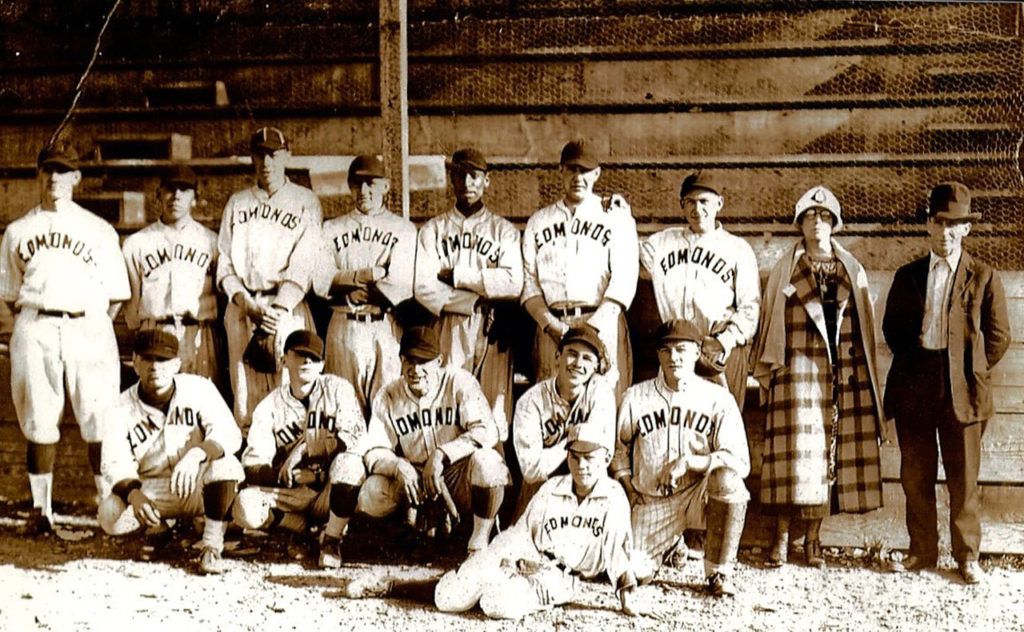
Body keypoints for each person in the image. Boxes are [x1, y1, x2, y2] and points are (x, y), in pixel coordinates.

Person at [343, 423, 644, 620]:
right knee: (451, 596)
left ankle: (489, 583)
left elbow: (619, 553)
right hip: (527, 556)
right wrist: (501, 560)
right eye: (576, 456)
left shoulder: (613, 497)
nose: (582, 464)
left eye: (590, 457)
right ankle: (390, 586)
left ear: (605, 458)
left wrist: (627, 595)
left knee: (496, 603)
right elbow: (521, 532)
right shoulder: (553, 488)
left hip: (560, 577)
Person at [749, 186, 886, 569]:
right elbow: (769, 324)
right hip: (794, 374)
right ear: (800, 225)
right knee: (788, 458)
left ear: (835, 225)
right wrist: (772, 370)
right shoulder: (785, 268)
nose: (817, 223)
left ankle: (812, 541)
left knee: (828, 458)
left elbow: (863, 326)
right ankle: (779, 540)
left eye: (824, 217)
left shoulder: (850, 270)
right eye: (810, 217)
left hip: (838, 374)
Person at [883, 182, 1010, 584]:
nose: (945, 232)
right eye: (939, 223)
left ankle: (967, 556)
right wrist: (917, 364)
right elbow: (892, 329)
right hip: (916, 385)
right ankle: (922, 550)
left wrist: (968, 368)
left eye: (954, 225)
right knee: (916, 475)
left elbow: (999, 336)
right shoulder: (908, 276)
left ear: (966, 229)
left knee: (963, 477)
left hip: (964, 391)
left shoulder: (984, 277)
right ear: (927, 225)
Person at [0, 142, 130, 534]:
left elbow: (117, 296)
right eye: (48, 170)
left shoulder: (98, 229)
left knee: (98, 417)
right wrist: (24, 327)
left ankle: (108, 508)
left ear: (77, 177)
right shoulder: (18, 230)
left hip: (87, 324)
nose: (54, 178)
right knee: (39, 419)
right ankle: (42, 512)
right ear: (39, 175)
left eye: (63, 170)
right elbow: (8, 293)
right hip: (36, 323)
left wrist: (91, 325)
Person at [612, 319, 749, 597]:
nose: (674, 357)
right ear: (658, 354)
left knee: (728, 481)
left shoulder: (717, 398)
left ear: (697, 353)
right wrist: (627, 487)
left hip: (699, 494)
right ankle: (672, 546)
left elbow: (740, 461)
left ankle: (718, 571)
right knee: (636, 574)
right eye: (667, 350)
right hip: (652, 500)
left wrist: (690, 461)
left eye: (682, 350)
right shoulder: (635, 397)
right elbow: (618, 449)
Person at [98, 330, 243, 574]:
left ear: (176, 363)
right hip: (153, 490)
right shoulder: (119, 407)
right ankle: (158, 529)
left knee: (226, 465)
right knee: (109, 515)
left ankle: (211, 545)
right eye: (147, 358)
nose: (155, 367)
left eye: (163, 360)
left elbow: (230, 434)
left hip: (197, 483)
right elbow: (113, 462)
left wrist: (198, 453)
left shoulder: (199, 388)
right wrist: (134, 494)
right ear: (134, 361)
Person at [357, 326, 510, 554]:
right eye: (409, 360)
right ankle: (405, 530)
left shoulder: (459, 381)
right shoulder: (389, 394)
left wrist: (442, 454)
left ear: (438, 361)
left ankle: (478, 541)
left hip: (456, 473)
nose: (416, 369)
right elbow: (373, 450)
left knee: (489, 464)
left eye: (423, 361)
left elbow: (486, 431)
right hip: (415, 478)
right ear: (400, 360)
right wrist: (398, 465)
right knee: (370, 492)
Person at [232, 330, 368, 569]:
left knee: (350, 465)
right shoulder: (270, 405)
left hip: (328, 488)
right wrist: (287, 477)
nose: (307, 361)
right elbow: (252, 466)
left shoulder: (338, 389)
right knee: (245, 507)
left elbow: (355, 436)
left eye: (314, 358)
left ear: (322, 364)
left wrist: (306, 450)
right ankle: (298, 527)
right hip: (292, 491)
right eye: (300, 354)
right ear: (284, 360)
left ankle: (331, 540)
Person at [217, 126, 322, 429]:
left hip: (286, 307)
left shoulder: (305, 200)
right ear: (252, 158)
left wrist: (278, 309)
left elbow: (305, 260)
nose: (267, 163)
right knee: (245, 391)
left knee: (290, 387)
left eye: (274, 155)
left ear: (286, 155)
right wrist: (244, 301)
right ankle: (253, 465)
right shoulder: (237, 203)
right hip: (244, 306)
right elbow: (224, 261)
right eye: (260, 156)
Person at [414, 148, 523, 440]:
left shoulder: (505, 231)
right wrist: (477, 299)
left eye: (475, 175)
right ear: (452, 179)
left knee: (494, 410)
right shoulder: (433, 230)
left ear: (487, 181)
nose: (467, 182)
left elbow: (513, 282)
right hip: (450, 323)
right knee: (450, 404)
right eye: (460, 175)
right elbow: (424, 287)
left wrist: (458, 276)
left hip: (493, 327)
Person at [521, 140, 638, 401]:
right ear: (561, 170)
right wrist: (549, 324)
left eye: (585, 170)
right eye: (571, 169)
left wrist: (592, 327)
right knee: (552, 403)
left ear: (596, 174)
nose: (578, 177)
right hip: (551, 325)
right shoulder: (539, 221)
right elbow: (529, 283)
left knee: (604, 403)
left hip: (601, 322)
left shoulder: (614, 216)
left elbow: (624, 281)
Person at [639, 171, 759, 408]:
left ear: (719, 204)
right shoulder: (662, 242)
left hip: (718, 346)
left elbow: (750, 308)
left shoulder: (737, 248)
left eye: (704, 201)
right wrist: (618, 212)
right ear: (682, 206)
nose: (697, 209)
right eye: (690, 202)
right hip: (678, 347)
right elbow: (626, 249)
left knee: (724, 424)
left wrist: (726, 340)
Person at [314, 155, 415, 418]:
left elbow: (401, 284)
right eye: (357, 183)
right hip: (344, 325)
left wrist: (344, 282)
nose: (364, 191)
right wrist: (370, 274)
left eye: (371, 183)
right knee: (344, 409)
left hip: (385, 327)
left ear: (386, 186)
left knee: (388, 408)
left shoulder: (403, 229)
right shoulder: (331, 228)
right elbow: (321, 280)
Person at [122, 164, 221, 382]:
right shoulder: (136, 243)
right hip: (155, 331)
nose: (176, 196)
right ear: (158, 195)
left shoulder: (212, 242)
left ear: (195, 198)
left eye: (184, 190)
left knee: (199, 406)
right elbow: (131, 310)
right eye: (170, 189)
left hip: (198, 333)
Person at [511, 323, 615, 517]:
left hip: (584, 490)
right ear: (558, 357)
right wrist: (574, 441)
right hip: (540, 492)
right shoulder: (531, 401)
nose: (578, 363)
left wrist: (560, 449)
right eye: (572, 354)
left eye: (587, 359)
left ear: (594, 367)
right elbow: (531, 470)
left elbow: (601, 456)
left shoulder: (600, 391)